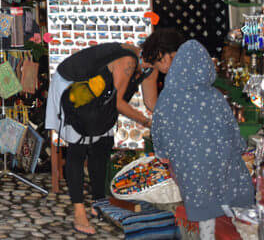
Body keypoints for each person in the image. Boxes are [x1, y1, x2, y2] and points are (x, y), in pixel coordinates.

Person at [45, 42, 152, 236]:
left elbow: (150, 100)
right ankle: (79, 212)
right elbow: (119, 102)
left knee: (102, 144)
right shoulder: (128, 61)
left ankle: (99, 202)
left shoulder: (145, 65)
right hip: (75, 89)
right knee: (78, 148)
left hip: (99, 94)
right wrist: (145, 121)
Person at [152, 40, 254, 238]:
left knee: (202, 201)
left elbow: (159, 126)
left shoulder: (167, 97)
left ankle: (207, 234)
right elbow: (231, 128)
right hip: (219, 159)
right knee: (227, 190)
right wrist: (240, 146)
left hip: (189, 163)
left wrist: (162, 152)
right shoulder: (214, 96)